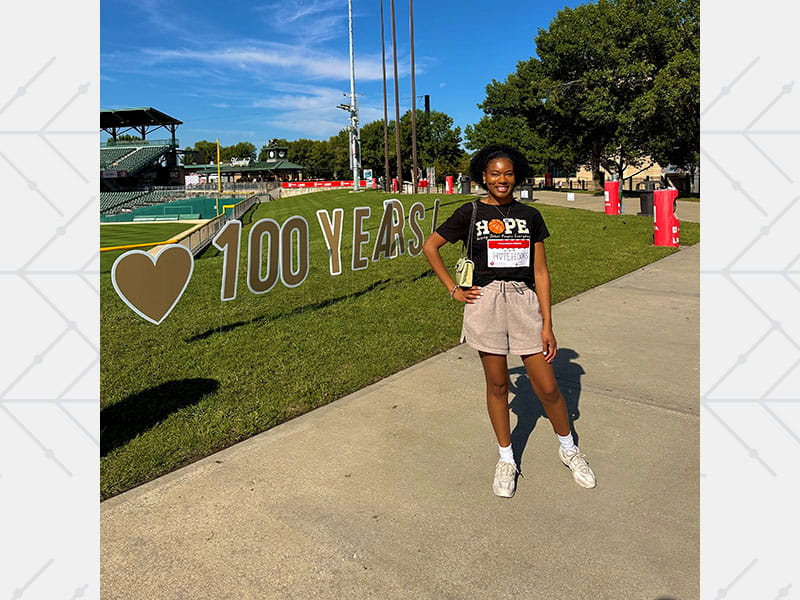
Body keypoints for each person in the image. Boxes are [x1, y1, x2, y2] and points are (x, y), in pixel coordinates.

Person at [422, 144, 596, 498]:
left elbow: (541, 272)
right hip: (485, 301)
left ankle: (569, 449)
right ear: (483, 177)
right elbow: (431, 247)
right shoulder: (470, 212)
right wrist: (453, 289)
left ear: (516, 176)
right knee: (498, 385)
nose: (502, 180)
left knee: (547, 387)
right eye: (494, 174)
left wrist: (547, 323)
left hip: (523, 300)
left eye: (508, 173)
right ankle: (506, 458)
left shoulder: (530, 215)